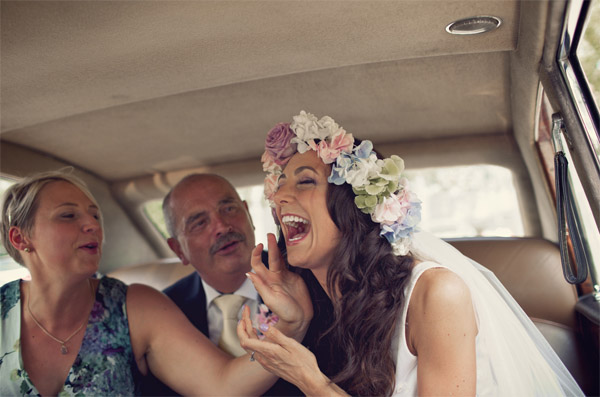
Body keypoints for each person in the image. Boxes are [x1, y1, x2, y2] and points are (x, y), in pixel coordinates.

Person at [237, 111, 584, 396]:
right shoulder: (320, 307)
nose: (279, 196)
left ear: (352, 208)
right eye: (280, 184)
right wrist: (295, 321)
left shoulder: (437, 293)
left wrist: (312, 381)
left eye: (306, 181)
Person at [0, 170, 311, 396]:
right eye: (68, 215)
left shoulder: (136, 307)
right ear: (20, 238)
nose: (91, 224)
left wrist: (290, 326)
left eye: (95, 215)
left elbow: (222, 385)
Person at [141, 173, 342, 396]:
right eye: (199, 222)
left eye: (229, 209)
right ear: (178, 249)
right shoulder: (166, 312)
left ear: (248, 213)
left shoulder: (312, 282)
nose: (221, 227)